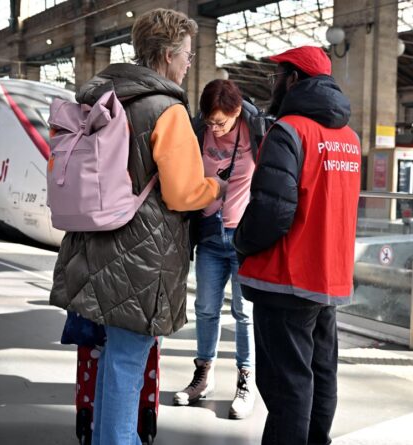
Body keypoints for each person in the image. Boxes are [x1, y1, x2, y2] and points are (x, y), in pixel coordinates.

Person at [49, 8, 224, 445]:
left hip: (92, 241)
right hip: (142, 254)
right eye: (186, 54)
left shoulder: (99, 95)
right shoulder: (166, 109)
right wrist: (215, 188)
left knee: (115, 359)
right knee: (128, 361)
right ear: (166, 55)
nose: (188, 63)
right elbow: (183, 193)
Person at [233, 46, 362, 445]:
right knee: (321, 376)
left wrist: (241, 240)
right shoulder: (349, 138)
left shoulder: (289, 130)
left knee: (287, 388)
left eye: (278, 75)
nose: (273, 83)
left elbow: (273, 210)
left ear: (293, 80)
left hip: (287, 278)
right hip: (329, 280)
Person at [173, 79, 271, 419]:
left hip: (242, 236)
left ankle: (246, 380)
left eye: (221, 122)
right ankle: (203, 375)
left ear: (237, 111)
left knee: (243, 313)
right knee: (206, 308)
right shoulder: (199, 129)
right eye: (210, 121)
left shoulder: (255, 128)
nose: (215, 128)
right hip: (210, 234)